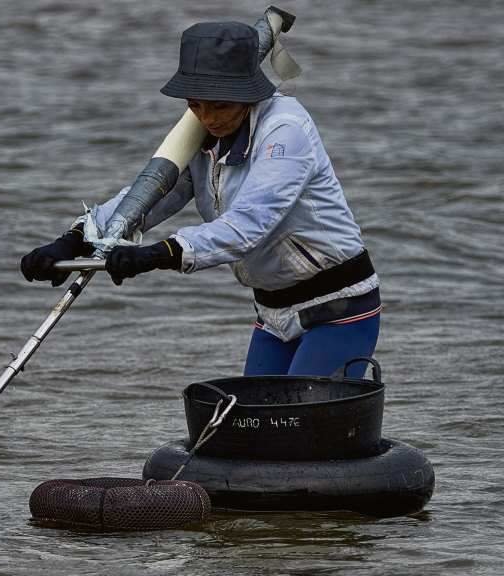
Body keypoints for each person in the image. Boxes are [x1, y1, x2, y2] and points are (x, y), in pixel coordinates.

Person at [20, 21, 380, 378]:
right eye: (196, 105)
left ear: (248, 92)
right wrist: (74, 240)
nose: (208, 118)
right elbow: (146, 199)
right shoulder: (202, 132)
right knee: (251, 426)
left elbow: (247, 226)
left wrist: (161, 254)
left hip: (339, 305)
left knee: (302, 422)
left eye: (220, 105)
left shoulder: (285, 131)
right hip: (273, 312)